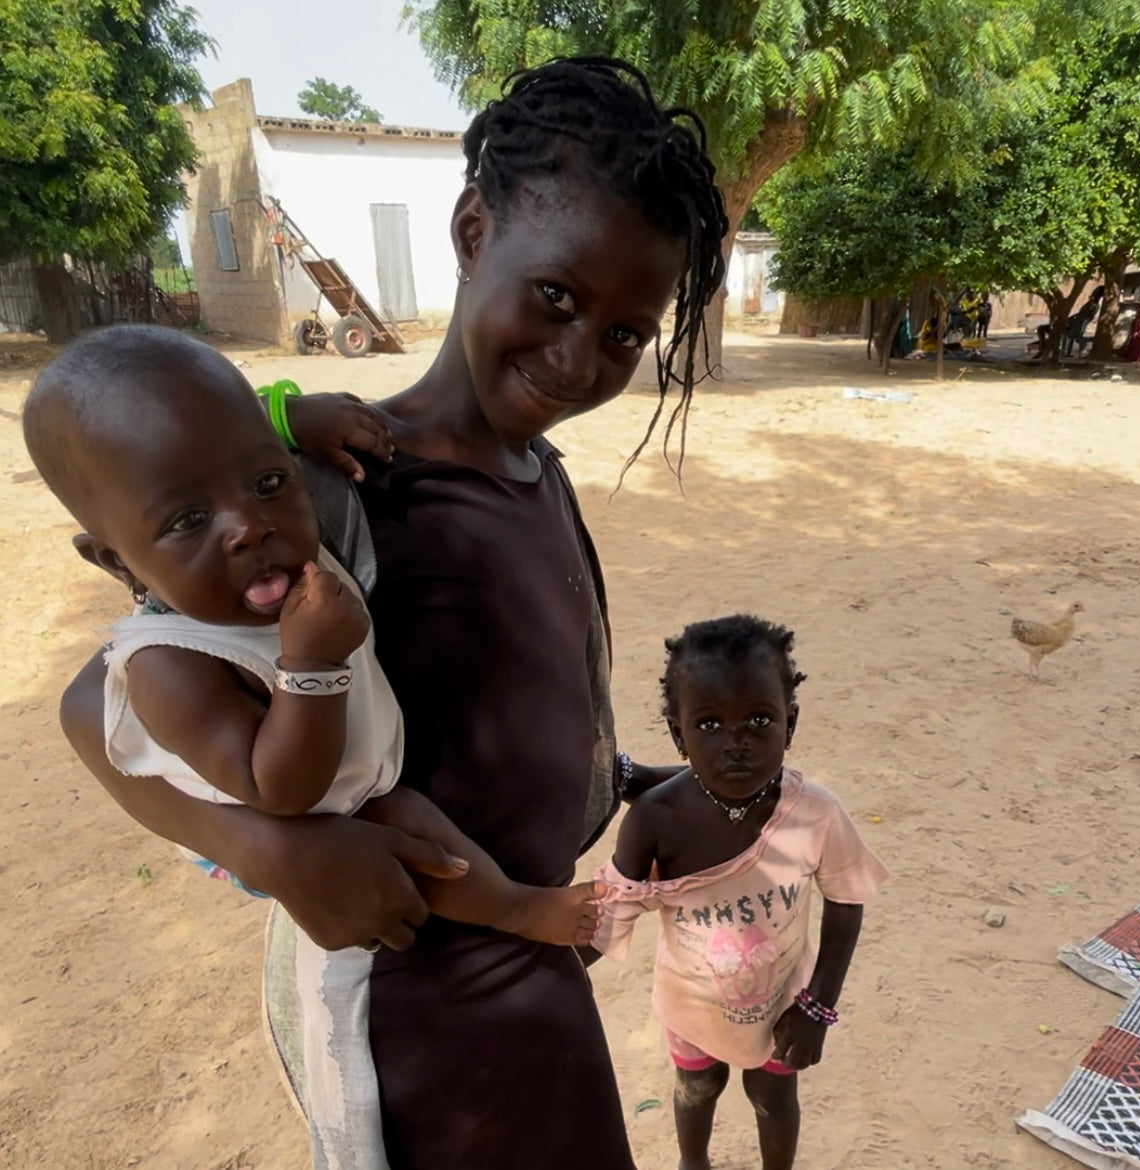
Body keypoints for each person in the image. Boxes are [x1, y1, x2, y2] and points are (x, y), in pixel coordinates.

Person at [55, 56, 728, 1170]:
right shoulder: (333, 487)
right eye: (556, 296)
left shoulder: (536, 471)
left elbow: (491, 708)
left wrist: (637, 779)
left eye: (622, 335)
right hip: (410, 992)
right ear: (473, 232)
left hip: (524, 958)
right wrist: (264, 846)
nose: (576, 357)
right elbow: (100, 697)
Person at [23, 326, 608, 1167]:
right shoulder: (171, 664)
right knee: (403, 833)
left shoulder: (278, 554)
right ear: (114, 559)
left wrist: (297, 417)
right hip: (314, 822)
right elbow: (281, 790)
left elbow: (226, 433)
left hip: (349, 780)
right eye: (188, 520)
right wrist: (311, 665)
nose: (248, 527)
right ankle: (522, 909)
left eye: (270, 483)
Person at [591, 616, 887, 1170]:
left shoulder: (815, 813)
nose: (737, 745)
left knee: (772, 1098)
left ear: (790, 724)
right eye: (708, 725)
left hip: (782, 1004)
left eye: (759, 720)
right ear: (678, 735)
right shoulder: (655, 821)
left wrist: (818, 1005)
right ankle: (693, 1163)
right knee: (696, 1090)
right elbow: (609, 919)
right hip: (692, 1006)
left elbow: (847, 899)